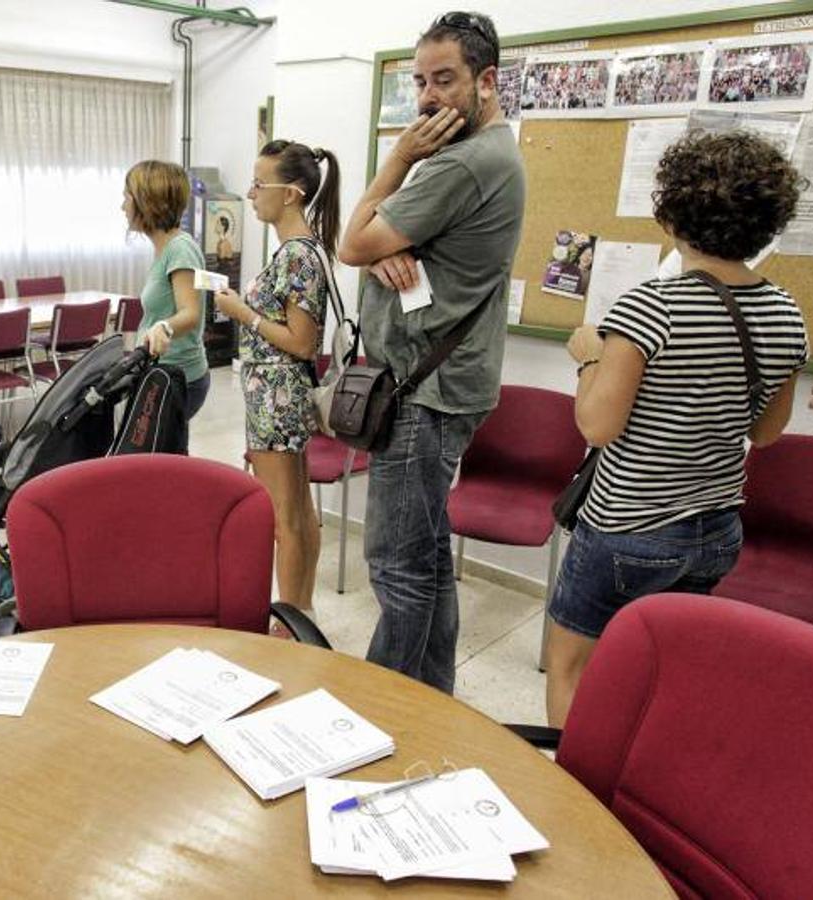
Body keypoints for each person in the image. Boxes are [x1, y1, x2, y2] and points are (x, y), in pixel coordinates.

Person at [545, 131, 809, 726]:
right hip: (715, 531)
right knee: (658, 670)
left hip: (628, 529)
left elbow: (596, 426)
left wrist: (589, 355)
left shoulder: (650, 308)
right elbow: (767, 434)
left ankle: (578, 798)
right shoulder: (786, 313)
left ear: (671, 213)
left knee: (574, 669)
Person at [337, 11, 526, 694]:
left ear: (486, 80)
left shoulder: (467, 160)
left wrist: (396, 162)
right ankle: (433, 698)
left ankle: (387, 706)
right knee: (430, 562)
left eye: (443, 80)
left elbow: (351, 243)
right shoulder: (473, 154)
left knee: (396, 564)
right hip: (436, 383)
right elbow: (367, 242)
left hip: (425, 392)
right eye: (418, 81)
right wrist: (389, 245)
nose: (426, 98)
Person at [212, 139, 341, 617]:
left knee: (283, 516)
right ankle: (301, 608)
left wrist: (241, 312)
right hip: (278, 395)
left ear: (290, 193)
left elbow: (302, 342)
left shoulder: (298, 256)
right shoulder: (301, 252)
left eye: (259, 183)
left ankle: (289, 619)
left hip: (277, 396)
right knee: (298, 509)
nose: (251, 193)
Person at [123, 160, 210, 424]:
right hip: (163, 371)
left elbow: (190, 314)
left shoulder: (180, 249)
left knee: (158, 460)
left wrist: (163, 327)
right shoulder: (167, 248)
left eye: (127, 198)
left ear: (147, 202)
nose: (122, 207)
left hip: (178, 376)